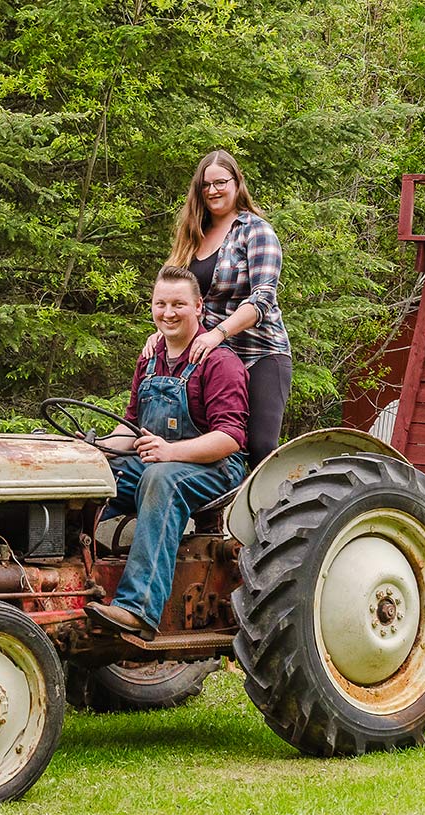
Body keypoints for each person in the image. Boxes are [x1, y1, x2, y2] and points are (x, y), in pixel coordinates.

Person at [86, 265, 249, 640]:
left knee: (162, 479)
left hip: (214, 468)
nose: (168, 312)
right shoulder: (150, 358)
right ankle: (76, 587)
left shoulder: (220, 362)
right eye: (161, 304)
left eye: (178, 304)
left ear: (198, 308)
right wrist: (92, 452)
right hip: (155, 460)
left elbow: (230, 438)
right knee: (90, 481)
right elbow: (129, 428)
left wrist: (171, 451)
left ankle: (138, 609)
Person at [147, 149, 292, 469]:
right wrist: (159, 333)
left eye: (221, 182)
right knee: (199, 437)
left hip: (259, 353)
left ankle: (262, 516)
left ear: (237, 183)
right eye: (205, 184)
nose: (213, 190)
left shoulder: (256, 231)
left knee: (259, 445)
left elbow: (263, 298)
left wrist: (218, 333)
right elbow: (175, 294)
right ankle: (211, 519)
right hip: (210, 358)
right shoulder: (191, 235)